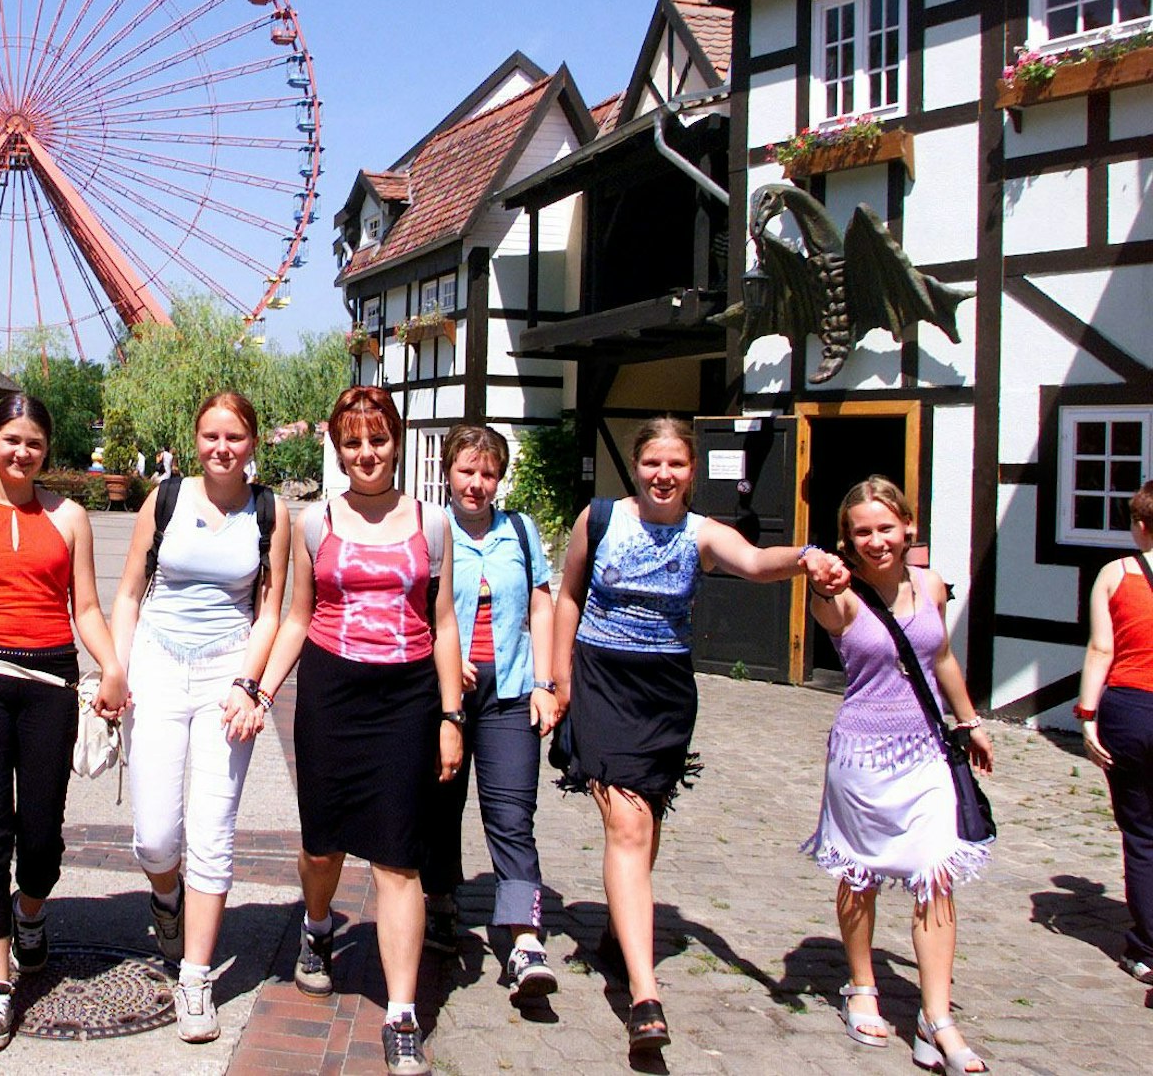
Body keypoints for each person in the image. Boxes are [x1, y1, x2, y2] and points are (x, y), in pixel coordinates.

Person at [548, 416, 848, 1057]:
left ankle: (618, 930)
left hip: (665, 692)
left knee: (646, 822)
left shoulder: (702, 532)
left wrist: (803, 558)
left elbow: (757, 562)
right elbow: (569, 594)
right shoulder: (599, 518)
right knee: (627, 826)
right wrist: (560, 677)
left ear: (690, 470)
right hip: (602, 680)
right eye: (654, 463)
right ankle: (645, 994)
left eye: (677, 465)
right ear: (637, 465)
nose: (664, 475)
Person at [256, 386, 462, 1076]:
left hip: (406, 695)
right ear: (339, 449)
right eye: (353, 442)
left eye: (377, 439)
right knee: (323, 846)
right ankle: (317, 927)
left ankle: (401, 1014)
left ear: (395, 441)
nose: (366, 453)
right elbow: (295, 616)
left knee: (399, 857)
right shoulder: (315, 522)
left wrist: (451, 715)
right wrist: (259, 687)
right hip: (331, 689)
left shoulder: (432, 524)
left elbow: (445, 624)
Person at [109, 391, 290, 1043]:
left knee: (212, 829)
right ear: (195, 439)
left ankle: (196, 977)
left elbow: (269, 611)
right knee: (156, 836)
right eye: (211, 435)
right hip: (158, 662)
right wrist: (117, 668)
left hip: (224, 672)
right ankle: (166, 898)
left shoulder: (271, 511)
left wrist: (252, 685)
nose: (222, 447)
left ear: (252, 442)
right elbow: (130, 591)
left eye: (235, 437)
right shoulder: (166, 499)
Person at [0, 393, 127, 1051]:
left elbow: (85, 605)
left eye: (33, 442)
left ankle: (31, 909)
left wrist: (110, 666)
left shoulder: (70, 516)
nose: (20, 452)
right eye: (10, 439)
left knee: (42, 835)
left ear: (46, 450)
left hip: (51, 683)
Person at [803, 475, 994, 1073]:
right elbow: (822, 602)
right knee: (860, 876)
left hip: (927, 752)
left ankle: (936, 1018)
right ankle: (861, 984)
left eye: (886, 527)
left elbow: (939, 658)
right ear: (848, 540)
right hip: (862, 759)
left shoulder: (931, 585)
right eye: (863, 532)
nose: (877, 540)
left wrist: (969, 723)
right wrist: (819, 575)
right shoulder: (842, 596)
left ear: (908, 526)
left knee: (935, 873)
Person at [420, 426, 559, 1000]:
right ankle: (441, 902)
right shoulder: (428, 530)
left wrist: (547, 681)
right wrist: (444, 665)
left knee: (512, 813)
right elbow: (413, 609)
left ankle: (524, 939)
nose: (477, 484)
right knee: (438, 807)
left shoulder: (520, 532)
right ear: (448, 472)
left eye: (488, 473)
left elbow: (542, 602)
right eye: (467, 471)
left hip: (510, 696)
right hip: (444, 698)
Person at [1078, 480, 1153, 989]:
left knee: (1143, 832)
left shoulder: (1116, 573)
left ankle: (1147, 950)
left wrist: (1087, 713)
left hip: (1133, 708)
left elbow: (1101, 649)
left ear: (1141, 525)